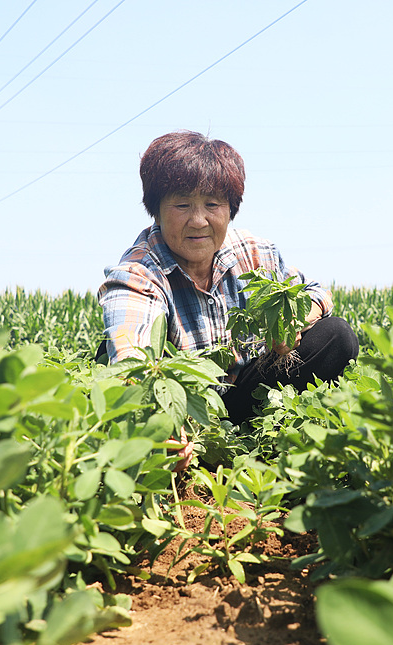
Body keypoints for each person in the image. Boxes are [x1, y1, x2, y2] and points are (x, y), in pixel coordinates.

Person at [97, 130, 359, 463]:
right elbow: (130, 356)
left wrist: (292, 320)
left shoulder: (252, 251)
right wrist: (161, 425)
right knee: (104, 359)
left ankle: (268, 448)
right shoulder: (138, 274)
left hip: (246, 392)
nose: (198, 220)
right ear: (156, 211)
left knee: (336, 336)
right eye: (182, 204)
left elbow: (316, 292)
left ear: (230, 210)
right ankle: (189, 455)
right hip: (188, 412)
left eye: (212, 204)